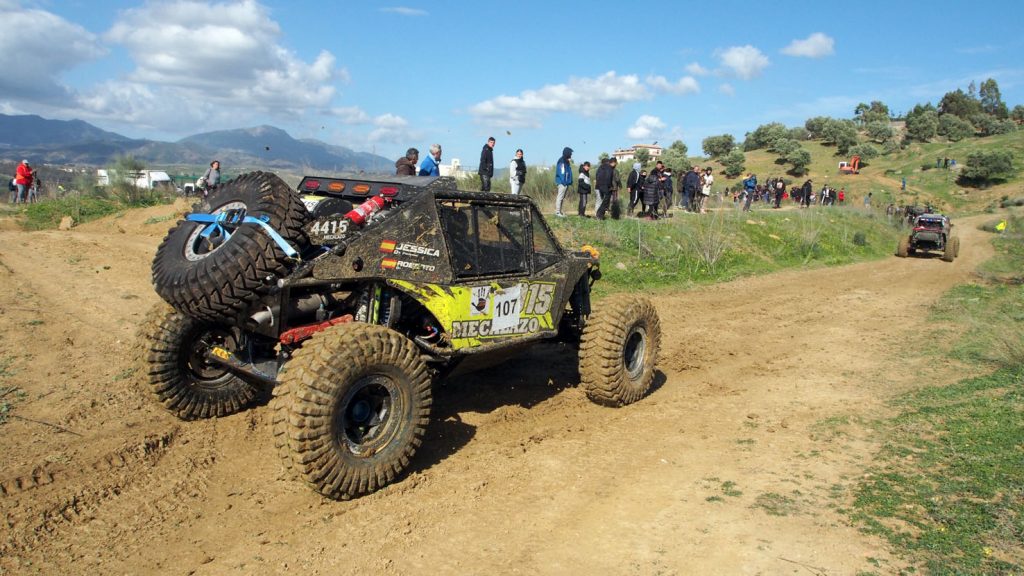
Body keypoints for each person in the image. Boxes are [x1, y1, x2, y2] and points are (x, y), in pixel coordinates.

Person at [553, 147, 573, 217]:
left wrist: (569, 181)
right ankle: (557, 212)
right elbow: (561, 172)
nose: (571, 155)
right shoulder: (561, 161)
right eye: (570, 153)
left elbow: (568, 172)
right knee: (560, 197)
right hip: (562, 182)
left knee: (562, 197)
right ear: (567, 153)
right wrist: (564, 182)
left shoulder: (566, 161)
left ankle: (560, 212)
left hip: (566, 182)